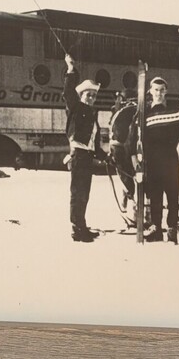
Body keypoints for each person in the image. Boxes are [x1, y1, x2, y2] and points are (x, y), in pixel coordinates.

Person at [143, 71, 179, 244]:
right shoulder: (144, 114)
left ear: (166, 91)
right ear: (150, 92)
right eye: (156, 90)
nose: (159, 93)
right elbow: (137, 137)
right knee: (155, 196)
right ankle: (155, 229)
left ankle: (171, 231)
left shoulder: (176, 109)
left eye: (162, 90)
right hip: (152, 161)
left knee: (172, 197)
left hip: (170, 160)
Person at [63, 53, 106, 243]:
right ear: (81, 95)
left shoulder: (91, 114)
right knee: (77, 193)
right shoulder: (75, 107)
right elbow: (67, 92)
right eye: (89, 94)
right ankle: (76, 229)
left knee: (84, 194)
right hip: (78, 156)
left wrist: (104, 155)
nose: (91, 97)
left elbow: (94, 142)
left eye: (94, 95)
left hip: (87, 157)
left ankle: (82, 225)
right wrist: (71, 70)